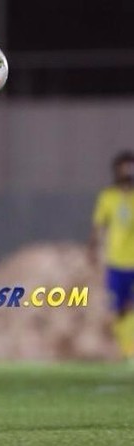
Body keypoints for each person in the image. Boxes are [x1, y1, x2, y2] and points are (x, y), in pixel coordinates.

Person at [90, 150, 134, 360]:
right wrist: (92, 249)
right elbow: (98, 226)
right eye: (123, 168)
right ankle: (127, 349)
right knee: (118, 309)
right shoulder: (108, 197)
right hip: (115, 262)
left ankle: (131, 349)